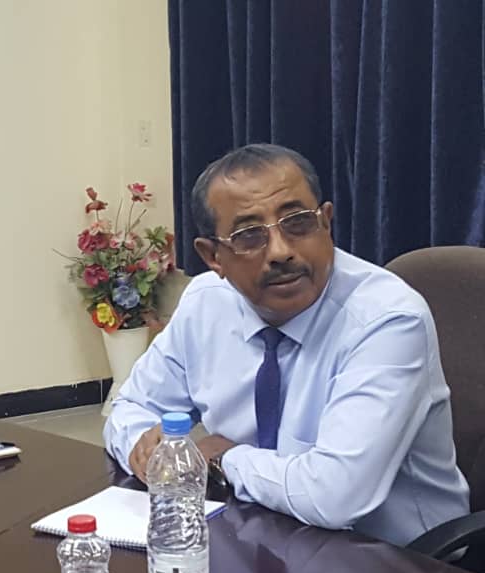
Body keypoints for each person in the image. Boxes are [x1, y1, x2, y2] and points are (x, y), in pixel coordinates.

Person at [103, 143, 469, 546]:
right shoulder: (206, 303)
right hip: (259, 532)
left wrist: (222, 459)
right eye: (249, 236)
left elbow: (334, 496)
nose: (280, 252)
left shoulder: (387, 319)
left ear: (326, 222)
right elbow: (131, 407)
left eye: (298, 223)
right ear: (213, 257)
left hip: (396, 557)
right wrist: (144, 445)